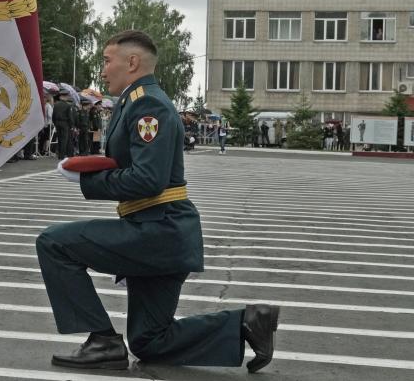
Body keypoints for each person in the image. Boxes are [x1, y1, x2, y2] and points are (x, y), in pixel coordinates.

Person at [36, 30, 280, 372]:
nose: (103, 71)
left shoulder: (148, 105)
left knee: (54, 243)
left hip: (158, 230)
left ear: (132, 62)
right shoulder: (134, 101)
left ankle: (103, 341)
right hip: (162, 233)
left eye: (108, 61)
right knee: (150, 341)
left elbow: (148, 179)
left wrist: (89, 179)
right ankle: (246, 323)